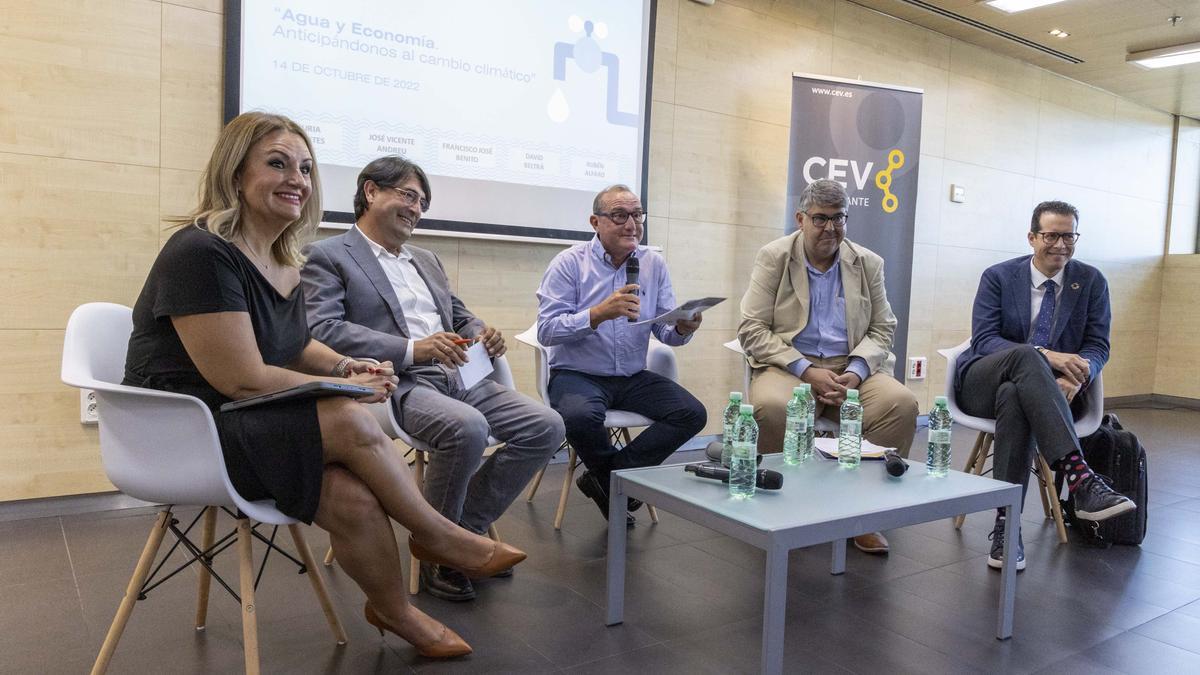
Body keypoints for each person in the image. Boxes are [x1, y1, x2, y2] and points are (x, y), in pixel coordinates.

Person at [122, 112, 525, 658]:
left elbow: (295, 346)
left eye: (306, 168)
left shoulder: (282, 258)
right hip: (188, 429)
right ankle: (439, 535)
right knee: (349, 416)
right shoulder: (200, 252)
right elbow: (240, 378)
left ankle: (396, 609)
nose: (297, 179)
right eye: (277, 163)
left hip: (247, 418)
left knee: (354, 496)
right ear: (235, 172)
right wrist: (350, 392)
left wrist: (345, 367)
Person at [301, 155, 564, 602]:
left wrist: (482, 332)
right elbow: (323, 330)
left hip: (463, 376)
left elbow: (458, 314)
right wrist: (411, 349)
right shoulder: (328, 255)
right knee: (467, 427)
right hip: (398, 381)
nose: (417, 208)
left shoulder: (426, 258)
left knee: (548, 426)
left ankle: (461, 534)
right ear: (370, 192)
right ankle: (441, 556)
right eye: (408, 195)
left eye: (422, 201)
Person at [738, 178, 918, 555]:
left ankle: (863, 514)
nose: (830, 228)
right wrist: (806, 370)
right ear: (800, 218)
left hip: (850, 367)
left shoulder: (868, 262)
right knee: (771, 408)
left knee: (900, 404)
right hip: (791, 365)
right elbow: (751, 329)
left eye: (839, 218)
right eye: (820, 219)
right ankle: (784, 508)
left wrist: (855, 370)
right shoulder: (774, 256)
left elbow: (884, 327)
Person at [956, 200, 1133, 572]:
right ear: (1032, 237)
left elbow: (1098, 345)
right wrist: (1047, 356)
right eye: (1051, 235)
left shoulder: (1091, 281)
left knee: (1015, 396)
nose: (1061, 245)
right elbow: (984, 339)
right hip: (983, 382)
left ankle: (1007, 527)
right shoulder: (999, 277)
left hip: (1046, 394)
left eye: (1070, 236)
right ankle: (1080, 477)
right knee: (1025, 359)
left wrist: (1077, 375)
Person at [536, 185, 706, 525]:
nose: (632, 225)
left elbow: (663, 330)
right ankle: (617, 483)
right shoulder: (569, 263)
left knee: (692, 413)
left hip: (631, 376)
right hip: (577, 373)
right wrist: (598, 314)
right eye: (620, 216)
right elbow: (547, 330)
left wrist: (683, 328)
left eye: (637, 215)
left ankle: (606, 479)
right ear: (595, 221)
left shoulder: (653, 263)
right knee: (581, 417)